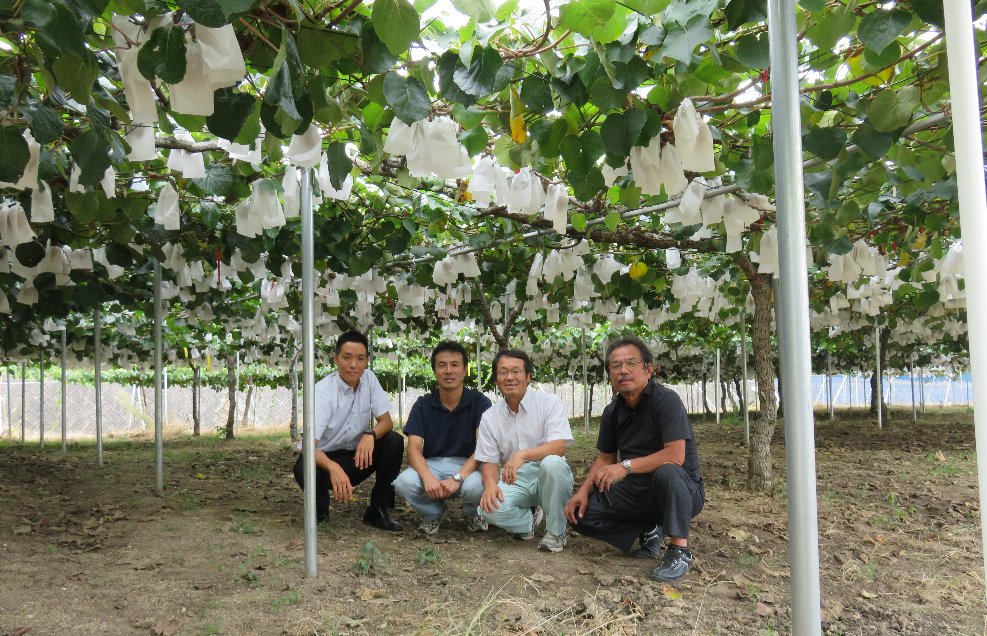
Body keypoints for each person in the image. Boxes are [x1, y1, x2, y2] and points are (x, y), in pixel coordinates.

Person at [565, 336, 704, 583]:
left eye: (631, 363)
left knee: (668, 472)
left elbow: (675, 455)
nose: (623, 370)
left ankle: (679, 549)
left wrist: (625, 467)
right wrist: (582, 492)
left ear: (648, 369)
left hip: (681, 490)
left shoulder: (666, 400)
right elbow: (606, 457)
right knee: (581, 515)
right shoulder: (612, 412)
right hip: (637, 492)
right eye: (616, 366)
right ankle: (649, 529)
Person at [291, 330, 404, 531]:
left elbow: (386, 421)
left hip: (356, 457)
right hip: (322, 458)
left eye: (360, 358)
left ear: (367, 361)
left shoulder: (369, 379)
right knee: (303, 468)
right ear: (336, 359)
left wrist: (370, 435)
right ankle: (320, 514)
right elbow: (307, 447)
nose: (353, 365)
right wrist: (333, 468)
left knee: (393, 441)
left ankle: (377, 510)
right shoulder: (322, 392)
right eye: (347, 357)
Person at [475, 349, 574, 553]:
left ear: (528, 377)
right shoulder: (489, 417)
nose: (509, 377)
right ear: (496, 379)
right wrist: (491, 484)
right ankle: (528, 519)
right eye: (503, 372)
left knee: (553, 463)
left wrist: (522, 455)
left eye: (516, 371)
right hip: (515, 479)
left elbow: (559, 446)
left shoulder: (550, 403)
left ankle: (556, 532)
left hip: (548, 475)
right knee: (488, 509)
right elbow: (490, 461)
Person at [393, 341, 492, 534]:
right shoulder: (423, 405)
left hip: (470, 465)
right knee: (403, 483)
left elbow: (483, 448)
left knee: (476, 486)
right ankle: (433, 512)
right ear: (434, 371)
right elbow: (413, 449)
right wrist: (427, 476)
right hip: (433, 465)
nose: (449, 371)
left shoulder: (480, 403)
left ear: (465, 370)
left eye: (455, 365)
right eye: (442, 365)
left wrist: (457, 477)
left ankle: (474, 513)